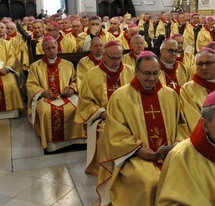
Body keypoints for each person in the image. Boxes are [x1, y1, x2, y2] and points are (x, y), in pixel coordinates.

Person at [96, 51, 187, 206]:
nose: (152, 78)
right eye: (146, 73)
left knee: (186, 176)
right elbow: (115, 133)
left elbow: (181, 125)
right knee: (150, 181)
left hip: (170, 155)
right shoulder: (120, 97)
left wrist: (176, 145)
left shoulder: (170, 95)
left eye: (155, 73)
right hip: (134, 156)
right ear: (136, 72)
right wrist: (138, 149)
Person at [74, 41, 135, 175]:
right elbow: (85, 102)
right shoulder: (91, 75)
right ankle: (107, 169)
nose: (117, 61)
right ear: (104, 56)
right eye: (113, 58)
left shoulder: (130, 71)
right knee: (104, 133)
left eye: (119, 57)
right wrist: (102, 113)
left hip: (130, 116)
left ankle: (132, 166)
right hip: (103, 118)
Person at [26, 36, 85, 152]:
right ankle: (53, 145)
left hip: (66, 96)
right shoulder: (35, 66)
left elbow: (75, 81)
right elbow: (31, 84)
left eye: (53, 47)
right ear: (43, 50)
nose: (51, 50)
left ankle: (79, 140)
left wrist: (72, 89)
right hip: (46, 98)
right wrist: (42, 92)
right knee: (47, 111)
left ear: (58, 48)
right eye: (48, 48)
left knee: (79, 107)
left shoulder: (68, 64)